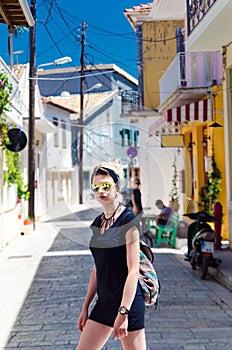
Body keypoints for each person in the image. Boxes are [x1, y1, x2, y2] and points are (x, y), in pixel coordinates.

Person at [76, 161, 146, 350]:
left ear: (116, 188)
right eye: (96, 187)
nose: (101, 191)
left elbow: (133, 271)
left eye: (106, 186)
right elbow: (98, 268)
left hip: (127, 303)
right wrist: (85, 307)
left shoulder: (128, 220)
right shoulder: (98, 223)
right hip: (104, 303)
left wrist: (123, 313)